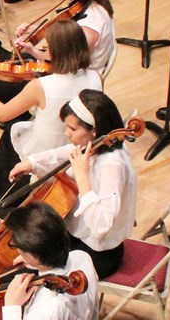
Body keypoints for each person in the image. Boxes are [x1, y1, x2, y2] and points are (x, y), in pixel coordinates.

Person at [0, 20, 100, 209]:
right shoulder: (96, 78)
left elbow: (3, 114)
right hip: (79, 148)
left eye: (47, 49)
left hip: (47, 150)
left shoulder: (40, 87)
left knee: (11, 132)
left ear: (56, 52)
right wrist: (32, 51)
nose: (45, 52)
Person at [8, 89, 137, 277]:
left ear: (94, 130)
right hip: (75, 237)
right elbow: (70, 151)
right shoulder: (95, 145)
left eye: (73, 129)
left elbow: (101, 225)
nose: (67, 133)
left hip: (96, 253)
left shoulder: (112, 166)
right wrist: (32, 163)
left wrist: (82, 176)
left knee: (18, 273)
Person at [11, 0, 117, 80]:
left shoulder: (88, 27)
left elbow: (57, 65)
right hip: (70, 66)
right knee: (11, 61)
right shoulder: (95, 3)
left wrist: (32, 50)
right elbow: (65, 35)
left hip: (78, 78)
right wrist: (35, 30)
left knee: (1, 85)